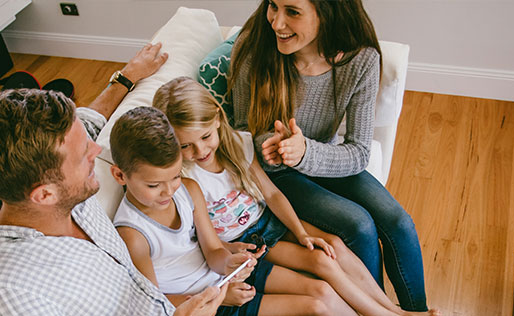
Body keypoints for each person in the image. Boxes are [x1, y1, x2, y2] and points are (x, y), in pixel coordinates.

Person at [153, 76, 436, 316]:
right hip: (248, 242)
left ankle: (394, 311)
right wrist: (233, 252)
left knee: (334, 244)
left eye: (204, 137)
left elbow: (273, 195)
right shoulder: (185, 178)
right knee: (322, 262)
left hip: (269, 221)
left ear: (216, 118)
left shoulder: (237, 144)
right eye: (186, 146)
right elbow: (208, 242)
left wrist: (300, 232)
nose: (200, 152)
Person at [229, 0, 433, 312]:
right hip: (277, 171)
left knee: (399, 222)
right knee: (358, 225)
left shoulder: (361, 59)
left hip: (322, 157)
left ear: (328, 13)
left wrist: (305, 152)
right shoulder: (254, 46)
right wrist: (273, 144)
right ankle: (373, 310)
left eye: (292, 12)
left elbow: (359, 152)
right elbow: (241, 128)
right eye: (273, 6)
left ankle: (416, 311)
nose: (277, 23)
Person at [0, 43, 226, 315]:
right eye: (84, 154)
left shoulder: (62, 181)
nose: (97, 150)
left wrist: (127, 76)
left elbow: (91, 120)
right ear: (45, 195)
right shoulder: (17, 295)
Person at [109, 106, 353, 316]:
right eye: (153, 185)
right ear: (120, 175)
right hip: (203, 303)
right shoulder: (133, 234)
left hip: (225, 281)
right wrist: (218, 294)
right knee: (316, 308)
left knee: (321, 291)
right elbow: (154, 303)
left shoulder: (188, 189)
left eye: (174, 176)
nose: (169, 191)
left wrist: (230, 263)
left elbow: (214, 251)